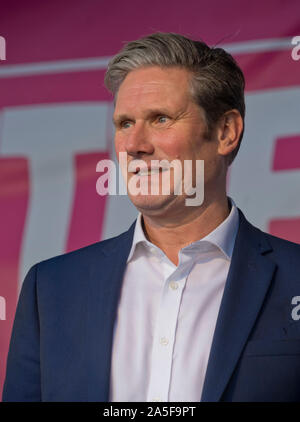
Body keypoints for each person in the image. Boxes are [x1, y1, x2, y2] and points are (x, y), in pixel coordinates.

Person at [3, 33, 300, 402]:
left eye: (160, 119)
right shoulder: (50, 289)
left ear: (225, 132)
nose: (133, 145)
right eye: (124, 123)